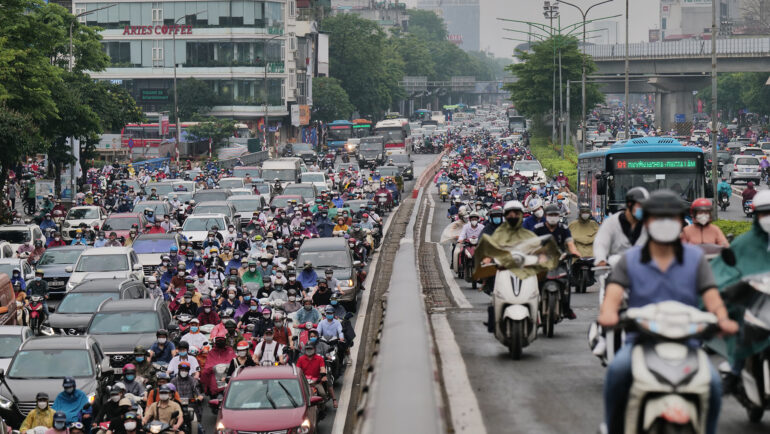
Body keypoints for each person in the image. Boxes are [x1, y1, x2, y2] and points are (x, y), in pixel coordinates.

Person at [597, 189, 738, 434]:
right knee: (617, 372)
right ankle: (613, 428)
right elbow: (613, 295)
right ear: (647, 220)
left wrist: (723, 319)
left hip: (688, 345)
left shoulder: (695, 259)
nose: (664, 223)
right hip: (641, 342)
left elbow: (712, 297)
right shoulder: (630, 260)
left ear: (680, 221)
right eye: (657, 217)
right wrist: (608, 314)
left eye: (670, 217)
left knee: (714, 385)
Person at [710, 189, 770, 393]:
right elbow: (724, 270)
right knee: (743, 330)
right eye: (764, 214)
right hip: (755, 302)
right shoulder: (744, 243)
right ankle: (735, 372)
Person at [533, 204, 581, 319]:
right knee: (533, 284)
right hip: (541, 263)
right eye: (550, 215)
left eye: (555, 215)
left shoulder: (563, 228)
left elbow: (570, 243)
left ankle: (566, 308)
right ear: (545, 216)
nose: (553, 217)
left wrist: (575, 252)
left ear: (559, 216)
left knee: (566, 283)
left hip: (559, 261)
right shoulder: (538, 228)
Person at [593, 187, 649, 266]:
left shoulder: (648, 224)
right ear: (630, 204)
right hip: (616, 269)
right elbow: (601, 243)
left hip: (641, 269)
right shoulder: (611, 222)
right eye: (640, 205)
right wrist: (601, 259)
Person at [296, 342, 337, 408]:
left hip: (316, 382)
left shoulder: (319, 358)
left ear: (314, 349)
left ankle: (326, 403)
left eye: (310, 349)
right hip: (305, 382)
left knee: (322, 393)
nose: (309, 350)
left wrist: (323, 375)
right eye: (307, 349)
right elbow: (297, 370)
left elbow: (322, 368)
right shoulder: (301, 359)